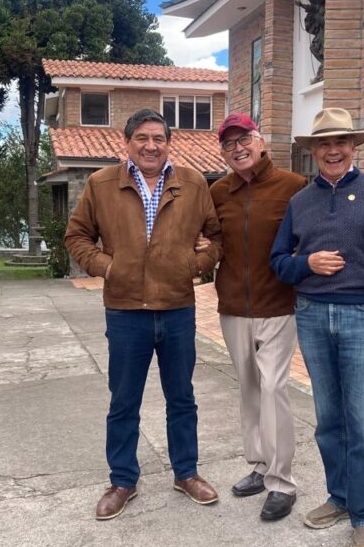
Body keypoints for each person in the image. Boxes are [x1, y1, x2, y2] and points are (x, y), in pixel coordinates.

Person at [64, 108, 224, 521]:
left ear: (168, 143)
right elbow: (77, 236)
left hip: (177, 308)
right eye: (142, 138)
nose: (151, 146)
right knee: (123, 400)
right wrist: (108, 267)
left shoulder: (193, 183)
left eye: (158, 138)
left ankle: (186, 473)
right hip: (125, 311)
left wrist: (194, 264)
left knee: (182, 397)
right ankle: (122, 480)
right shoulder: (101, 184)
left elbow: (216, 236)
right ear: (128, 142)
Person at [269, 107, 364, 547]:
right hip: (313, 314)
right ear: (314, 151)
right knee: (329, 420)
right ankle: (340, 497)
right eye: (324, 144)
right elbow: (278, 262)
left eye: (341, 142)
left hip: (363, 315)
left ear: (353, 147)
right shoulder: (300, 202)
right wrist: (307, 263)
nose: (333, 150)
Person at [208, 113, 306, 521]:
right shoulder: (218, 191)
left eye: (244, 139)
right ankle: (260, 466)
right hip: (233, 307)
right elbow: (211, 239)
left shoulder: (294, 186)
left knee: (273, 388)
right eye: (229, 144)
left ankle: (282, 482)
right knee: (249, 389)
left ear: (260, 141)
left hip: (278, 305)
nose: (238, 149)